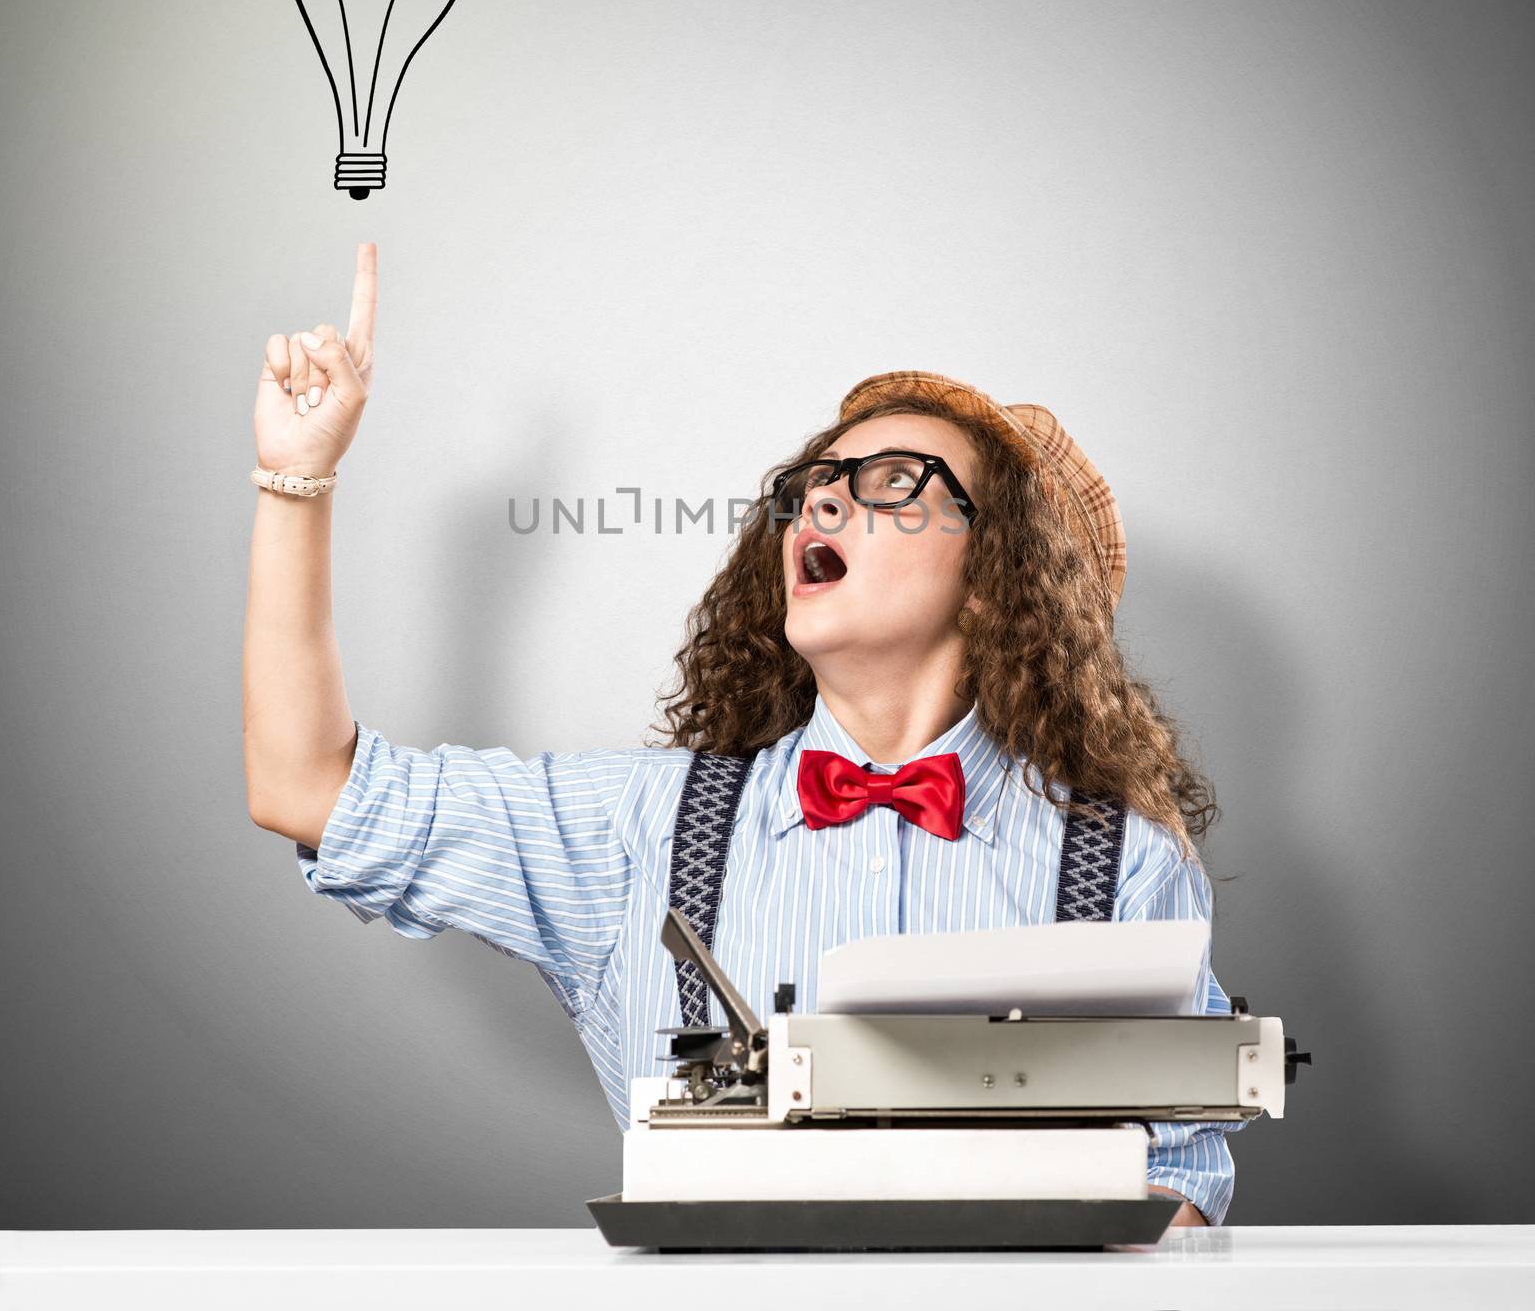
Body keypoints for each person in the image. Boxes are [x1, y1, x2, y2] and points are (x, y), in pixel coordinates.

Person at [244, 240, 1245, 1229]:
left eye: (891, 478)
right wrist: (295, 481)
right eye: (810, 483)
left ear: (993, 583)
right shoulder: (639, 829)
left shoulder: (1122, 866)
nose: (819, 496)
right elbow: (305, 786)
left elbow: (1172, 1198)